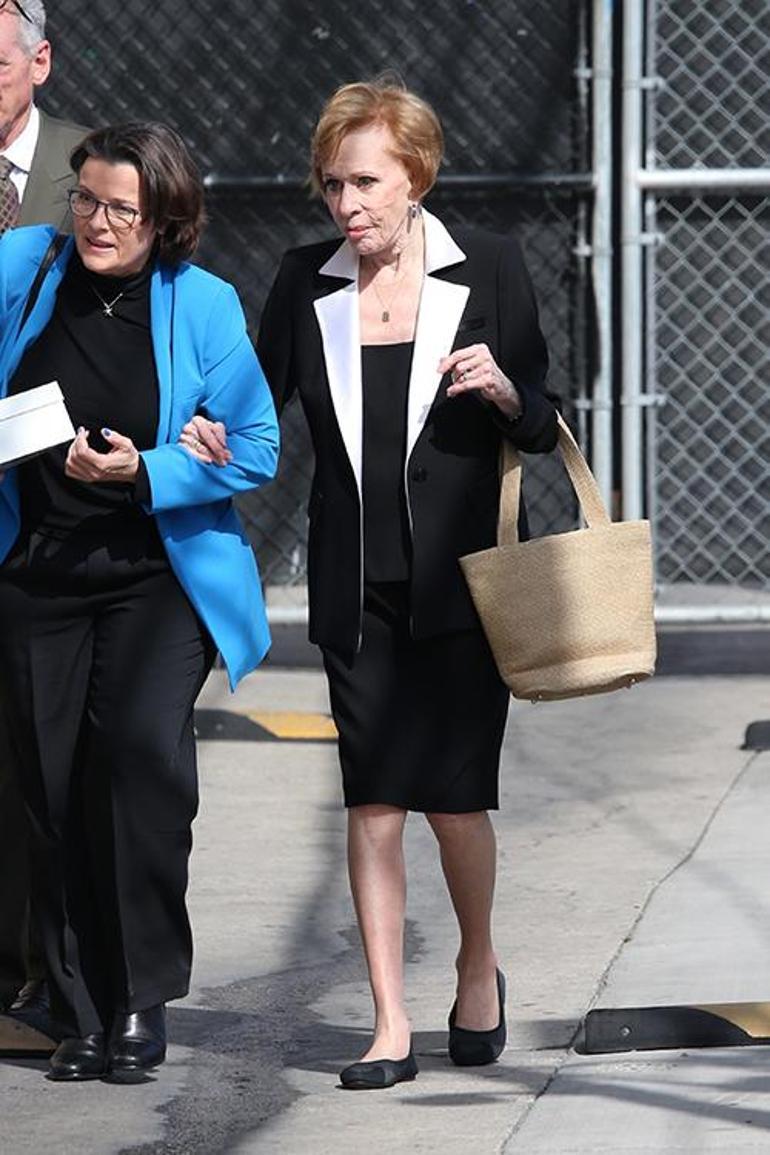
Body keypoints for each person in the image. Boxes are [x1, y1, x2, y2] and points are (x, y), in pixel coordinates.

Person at [183, 77, 558, 1090]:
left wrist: (504, 389)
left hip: (465, 589)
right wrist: (212, 437)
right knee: (374, 802)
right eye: (331, 185)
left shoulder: (489, 267)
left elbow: (542, 417)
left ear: (415, 177)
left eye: (364, 183)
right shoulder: (304, 280)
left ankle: (476, 966)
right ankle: (389, 1021)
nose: (345, 204)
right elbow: (255, 413)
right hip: (357, 589)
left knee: (455, 805)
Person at [0, 120, 278, 1082]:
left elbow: (257, 446)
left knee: (135, 765)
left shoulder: (202, 303)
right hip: (37, 571)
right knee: (50, 787)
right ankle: (76, 1005)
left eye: (123, 208)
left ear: (165, 219)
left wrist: (146, 469)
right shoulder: (24, 268)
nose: (98, 222)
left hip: (155, 578)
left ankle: (139, 997)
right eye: (86, 198)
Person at [0, 0, 88, 1031]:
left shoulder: (92, 172)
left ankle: (43, 969)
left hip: (57, 500)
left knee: (41, 748)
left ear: (41, 61)